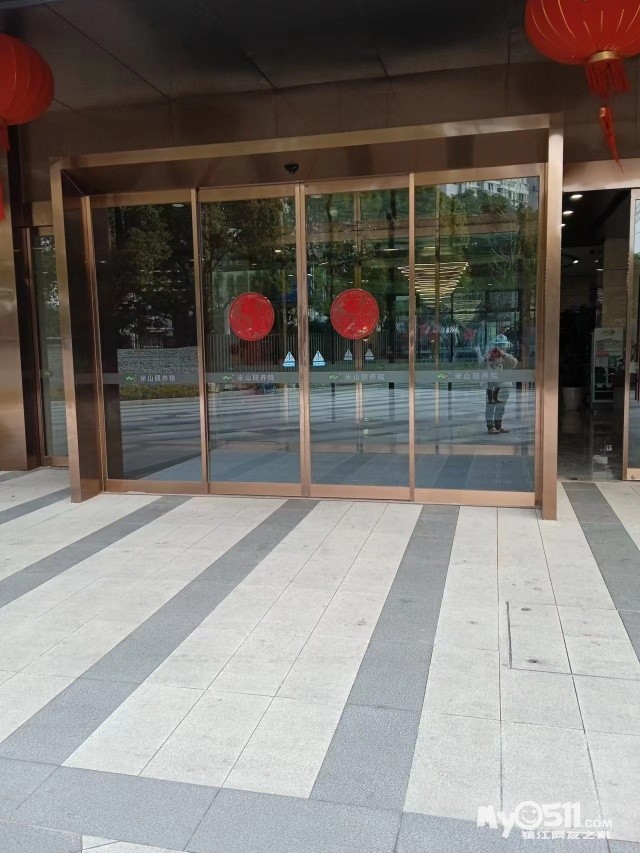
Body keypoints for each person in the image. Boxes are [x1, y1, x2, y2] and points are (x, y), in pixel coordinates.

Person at [479, 334, 518, 434]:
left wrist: (503, 354)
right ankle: (490, 426)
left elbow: (514, 363)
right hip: (491, 386)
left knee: (501, 406)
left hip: (504, 386)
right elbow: (481, 366)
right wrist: (488, 358)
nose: (500, 347)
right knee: (490, 406)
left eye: (502, 344)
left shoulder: (507, 357)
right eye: (498, 344)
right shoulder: (488, 356)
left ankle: (498, 425)